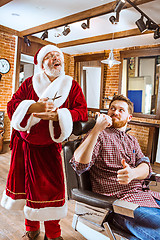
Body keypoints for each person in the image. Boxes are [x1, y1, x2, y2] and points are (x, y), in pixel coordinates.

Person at [1, 45, 88, 240]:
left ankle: (54, 234)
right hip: (26, 147)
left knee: (52, 188)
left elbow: (82, 111)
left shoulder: (71, 85)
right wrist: (32, 106)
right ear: (42, 64)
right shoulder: (30, 83)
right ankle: (31, 228)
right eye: (49, 56)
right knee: (26, 188)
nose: (55, 58)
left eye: (57, 55)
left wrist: (60, 116)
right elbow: (12, 105)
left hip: (51, 147)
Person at [70, 94, 160, 240]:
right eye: (112, 108)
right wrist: (96, 129)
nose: (115, 112)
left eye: (121, 110)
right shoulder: (99, 135)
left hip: (147, 196)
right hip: (122, 204)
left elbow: (146, 167)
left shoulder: (132, 140)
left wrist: (133, 173)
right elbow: (79, 164)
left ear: (129, 117)